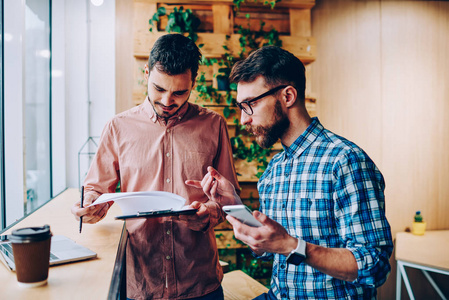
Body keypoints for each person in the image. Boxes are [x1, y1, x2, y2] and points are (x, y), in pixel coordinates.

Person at [187, 46, 393, 299]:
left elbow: (374, 266)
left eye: (249, 104)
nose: (243, 119)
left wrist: (291, 246)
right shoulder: (274, 171)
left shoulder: (345, 161)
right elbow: (271, 248)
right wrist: (233, 203)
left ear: (287, 96)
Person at [71, 33, 240, 300]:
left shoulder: (214, 125)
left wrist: (209, 212)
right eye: (159, 89)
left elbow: (229, 200)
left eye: (179, 92)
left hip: (199, 282)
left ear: (193, 82)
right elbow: (94, 189)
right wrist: (91, 204)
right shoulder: (117, 127)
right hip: (140, 282)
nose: (167, 101)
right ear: (146, 72)